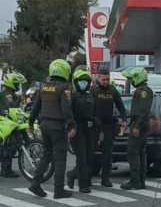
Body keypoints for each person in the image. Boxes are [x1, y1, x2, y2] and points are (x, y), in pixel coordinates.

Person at [28, 59, 76, 199]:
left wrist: (30, 124)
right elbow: (66, 109)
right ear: (64, 71)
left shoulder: (44, 87)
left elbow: (35, 107)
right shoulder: (64, 87)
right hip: (57, 127)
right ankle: (59, 190)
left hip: (44, 126)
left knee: (47, 155)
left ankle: (35, 183)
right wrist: (72, 125)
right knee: (60, 159)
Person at [92, 69, 127, 187]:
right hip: (95, 126)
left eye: (107, 79)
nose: (106, 81)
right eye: (103, 79)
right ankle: (86, 176)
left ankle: (105, 179)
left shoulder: (113, 90)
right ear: (98, 79)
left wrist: (124, 119)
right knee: (90, 153)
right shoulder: (93, 90)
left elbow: (120, 105)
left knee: (108, 154)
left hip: (109, 126)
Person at [121, 67, 153, 190]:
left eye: (132, 78)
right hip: (140, 124)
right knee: (140, 153)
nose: (131, 81)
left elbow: (143, 111)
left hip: (139, 125)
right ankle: (140, 181)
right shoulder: (142, 90)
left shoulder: (144, 91)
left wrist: (136, 126)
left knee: (133, 153)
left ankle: (135, 181)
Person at [67, 69, 94, 193]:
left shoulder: (90, 95)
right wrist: (71, 127)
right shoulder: (72, 96)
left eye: (85, 81)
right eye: (81, 81)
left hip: (89, 129)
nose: (83, 83)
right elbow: (68, 114)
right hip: (76, 129)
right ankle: (83, 185)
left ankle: (72, 175)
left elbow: (94, 112)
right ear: (76, 82)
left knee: (89, 157)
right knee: (81, 157)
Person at [0, 72, 27, 178]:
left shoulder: (16, 96)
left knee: (14, 144)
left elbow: (18, 109)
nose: (18, 86)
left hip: (14, 123)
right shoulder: (2, 95)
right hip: (4, 123)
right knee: (7, 145)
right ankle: (6, 169)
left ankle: (6, 169)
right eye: (16, 83)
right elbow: (5, 108)